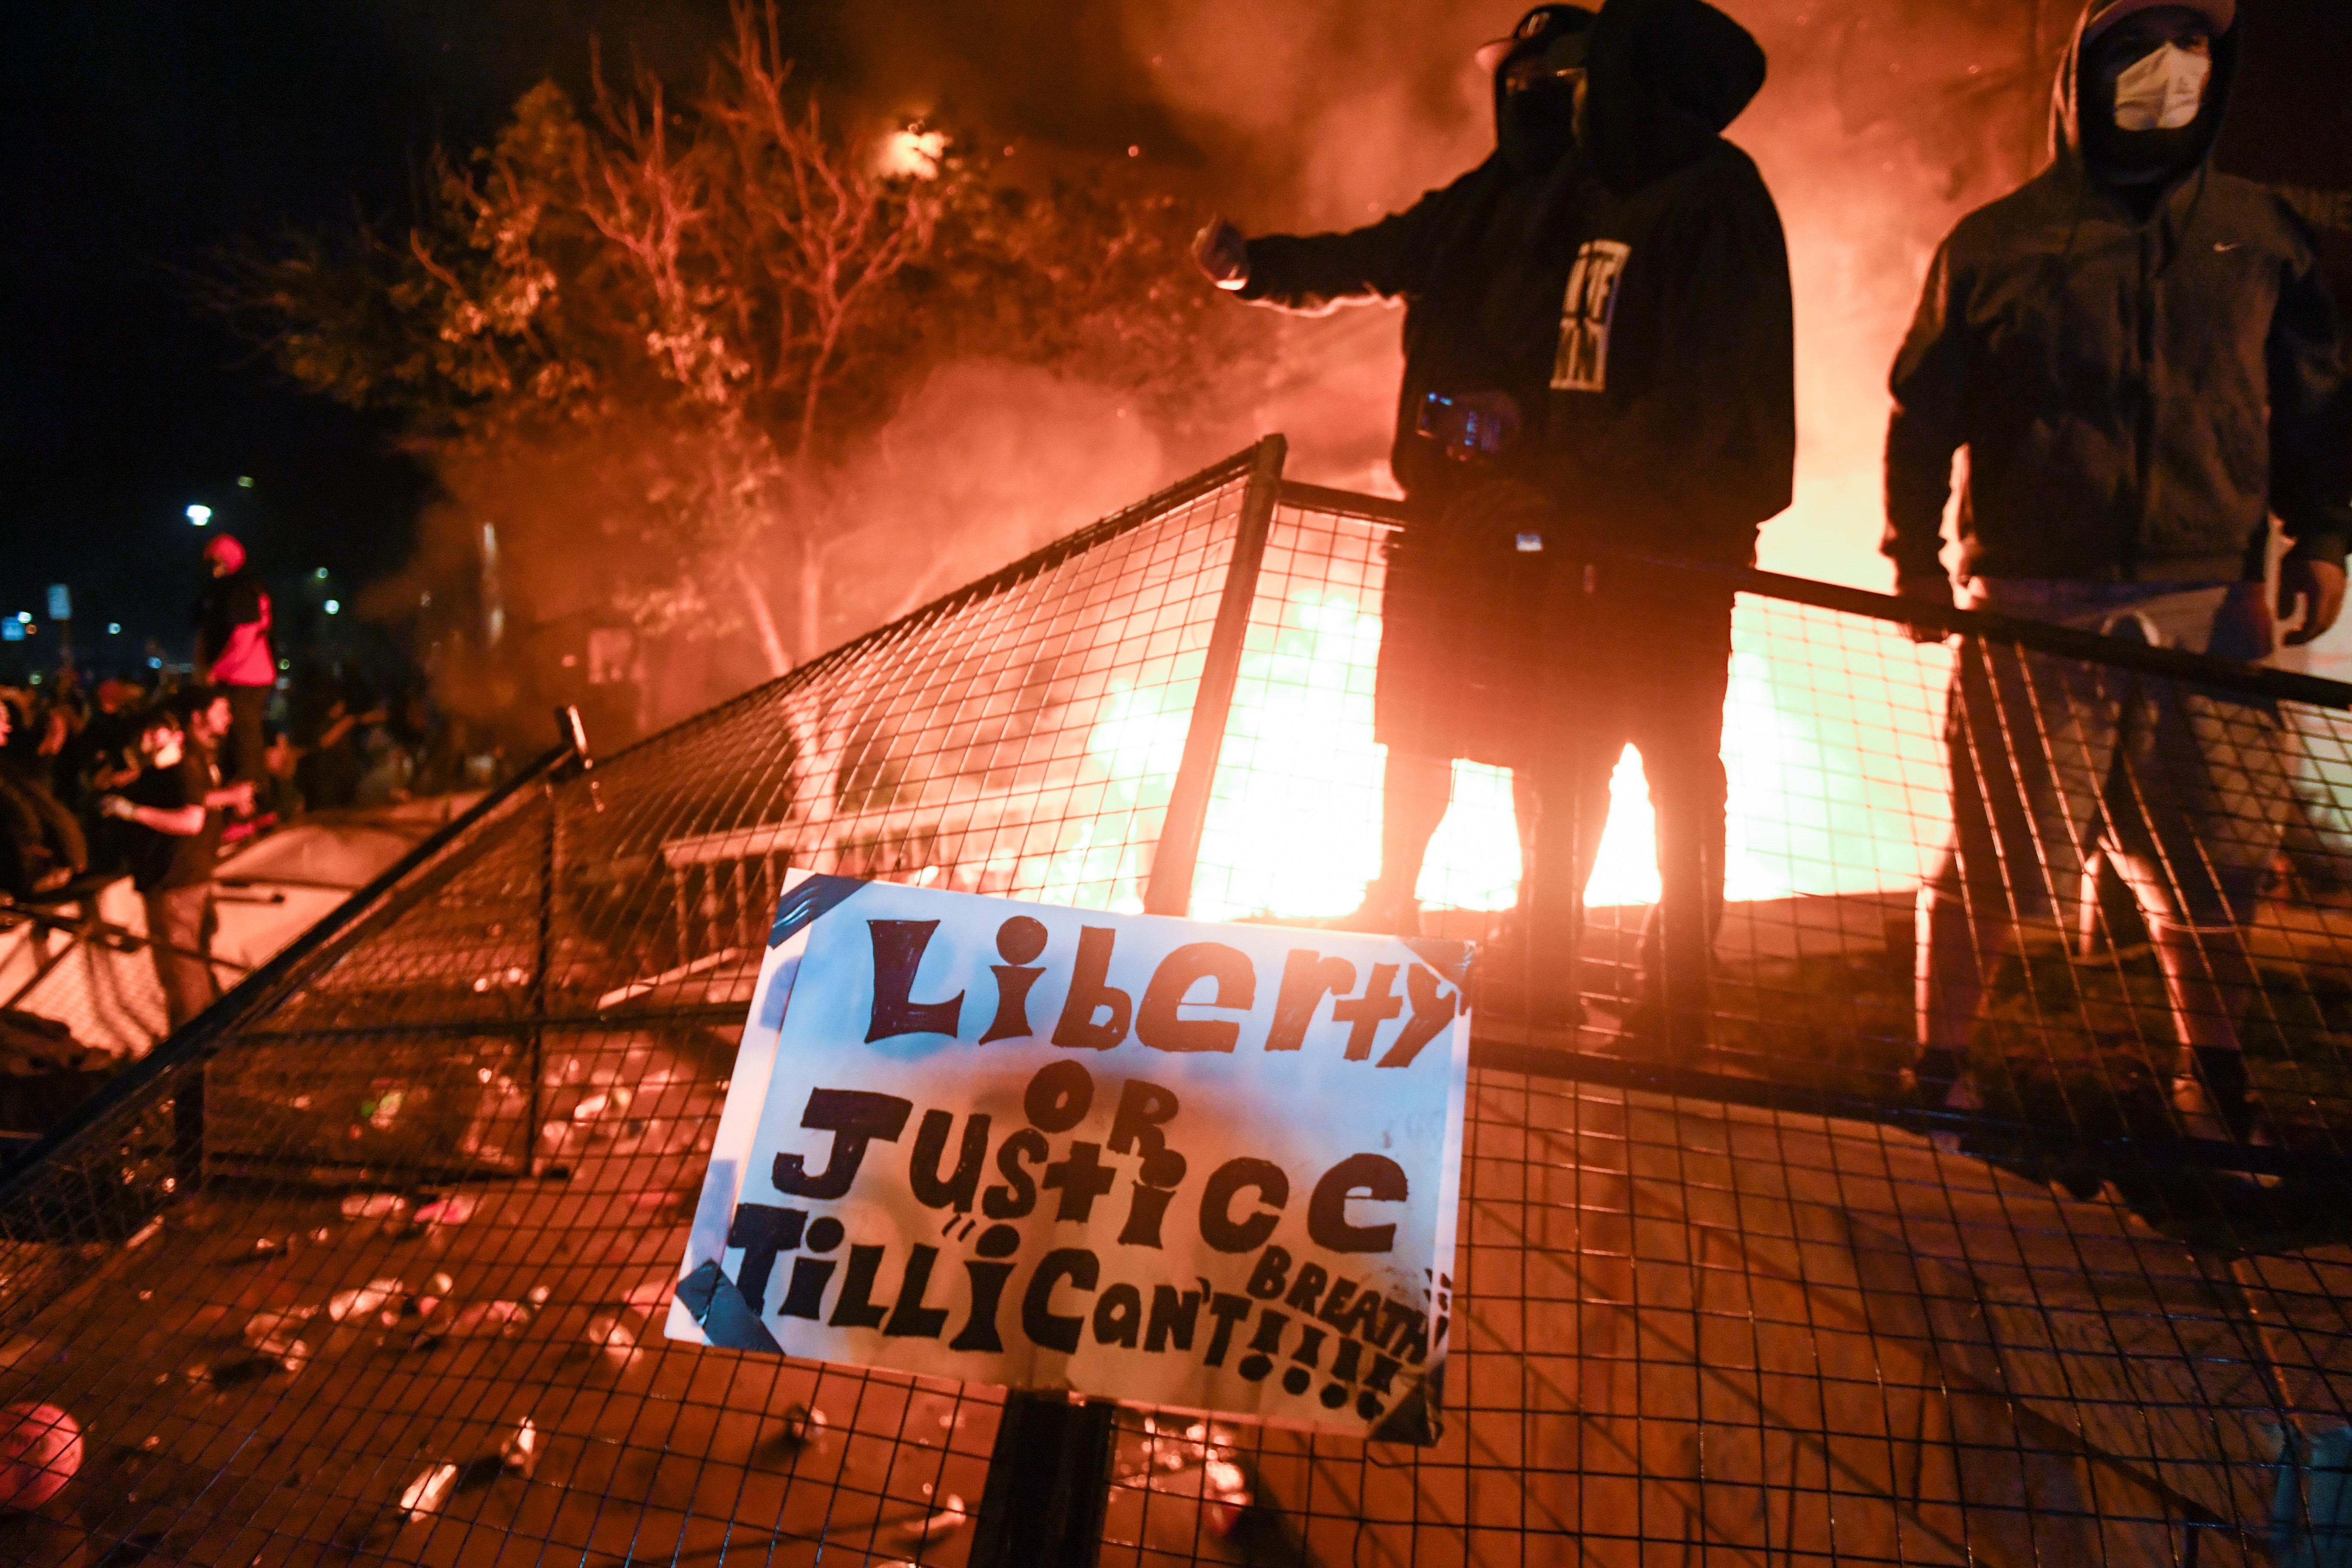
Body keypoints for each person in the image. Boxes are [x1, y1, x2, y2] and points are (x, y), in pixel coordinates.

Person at [1195, 0, 1794, 1045]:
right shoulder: (1540, 198)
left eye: (1566, 73)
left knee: (1666, 758)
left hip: (1648, 541)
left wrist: (1550, 475)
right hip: (1541, 524)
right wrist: (1262, 269)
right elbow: (1384, 255)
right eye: (1519, 74)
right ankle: (1531, 959)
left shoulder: (1698, 197)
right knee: (1546, 741)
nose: (1538, 90)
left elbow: (1699, 397)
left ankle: (1673, 998)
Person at [1884, 0, 2352, 1140]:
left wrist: (2324, 536)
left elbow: (2318, 401)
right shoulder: (1996, 245)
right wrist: (1917, 558)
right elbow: (1922, 413)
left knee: (2218, 862)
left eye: (2196, 49)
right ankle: (1941, 1072)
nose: (2170, 72)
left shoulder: (2261, 236)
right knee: (1994, 856)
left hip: (2217, 600)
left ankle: (2216, 1084)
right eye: (2142, 49)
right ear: (2086, 71)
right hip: (2038, 603)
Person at [97, 691, 251, 1031]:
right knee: (189, 967)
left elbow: (191, 819)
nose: (150, 737)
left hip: (174, 879)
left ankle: (189, 1056)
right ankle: (206, 1040)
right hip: (184, 875)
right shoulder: (179, 764)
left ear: (178, 733)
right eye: (147, 731)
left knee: (180, 973)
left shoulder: (184, 765)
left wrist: (132, 812)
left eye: (159, 730)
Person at [193, 533, 278, 798]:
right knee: (245, 739)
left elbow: (245, 636)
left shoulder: (240, 589)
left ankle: (254, 803)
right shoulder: (243, 587)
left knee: (245, 742)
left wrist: (215, 670)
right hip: (245, 675)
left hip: (245, 677)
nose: (210, 568)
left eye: (214, 561)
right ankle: (255, 801)